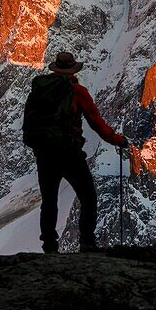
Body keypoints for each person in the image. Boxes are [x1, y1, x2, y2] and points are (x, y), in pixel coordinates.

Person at [22, 51, 128, 253]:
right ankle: (87, 241)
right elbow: (96, 122)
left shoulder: (38, 91)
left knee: (49, 199)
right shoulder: (77, 91)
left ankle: (49, 245)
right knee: (88, 196)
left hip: (44, 153)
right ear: (72, 70)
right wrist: (117, 140)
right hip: (69, 153)